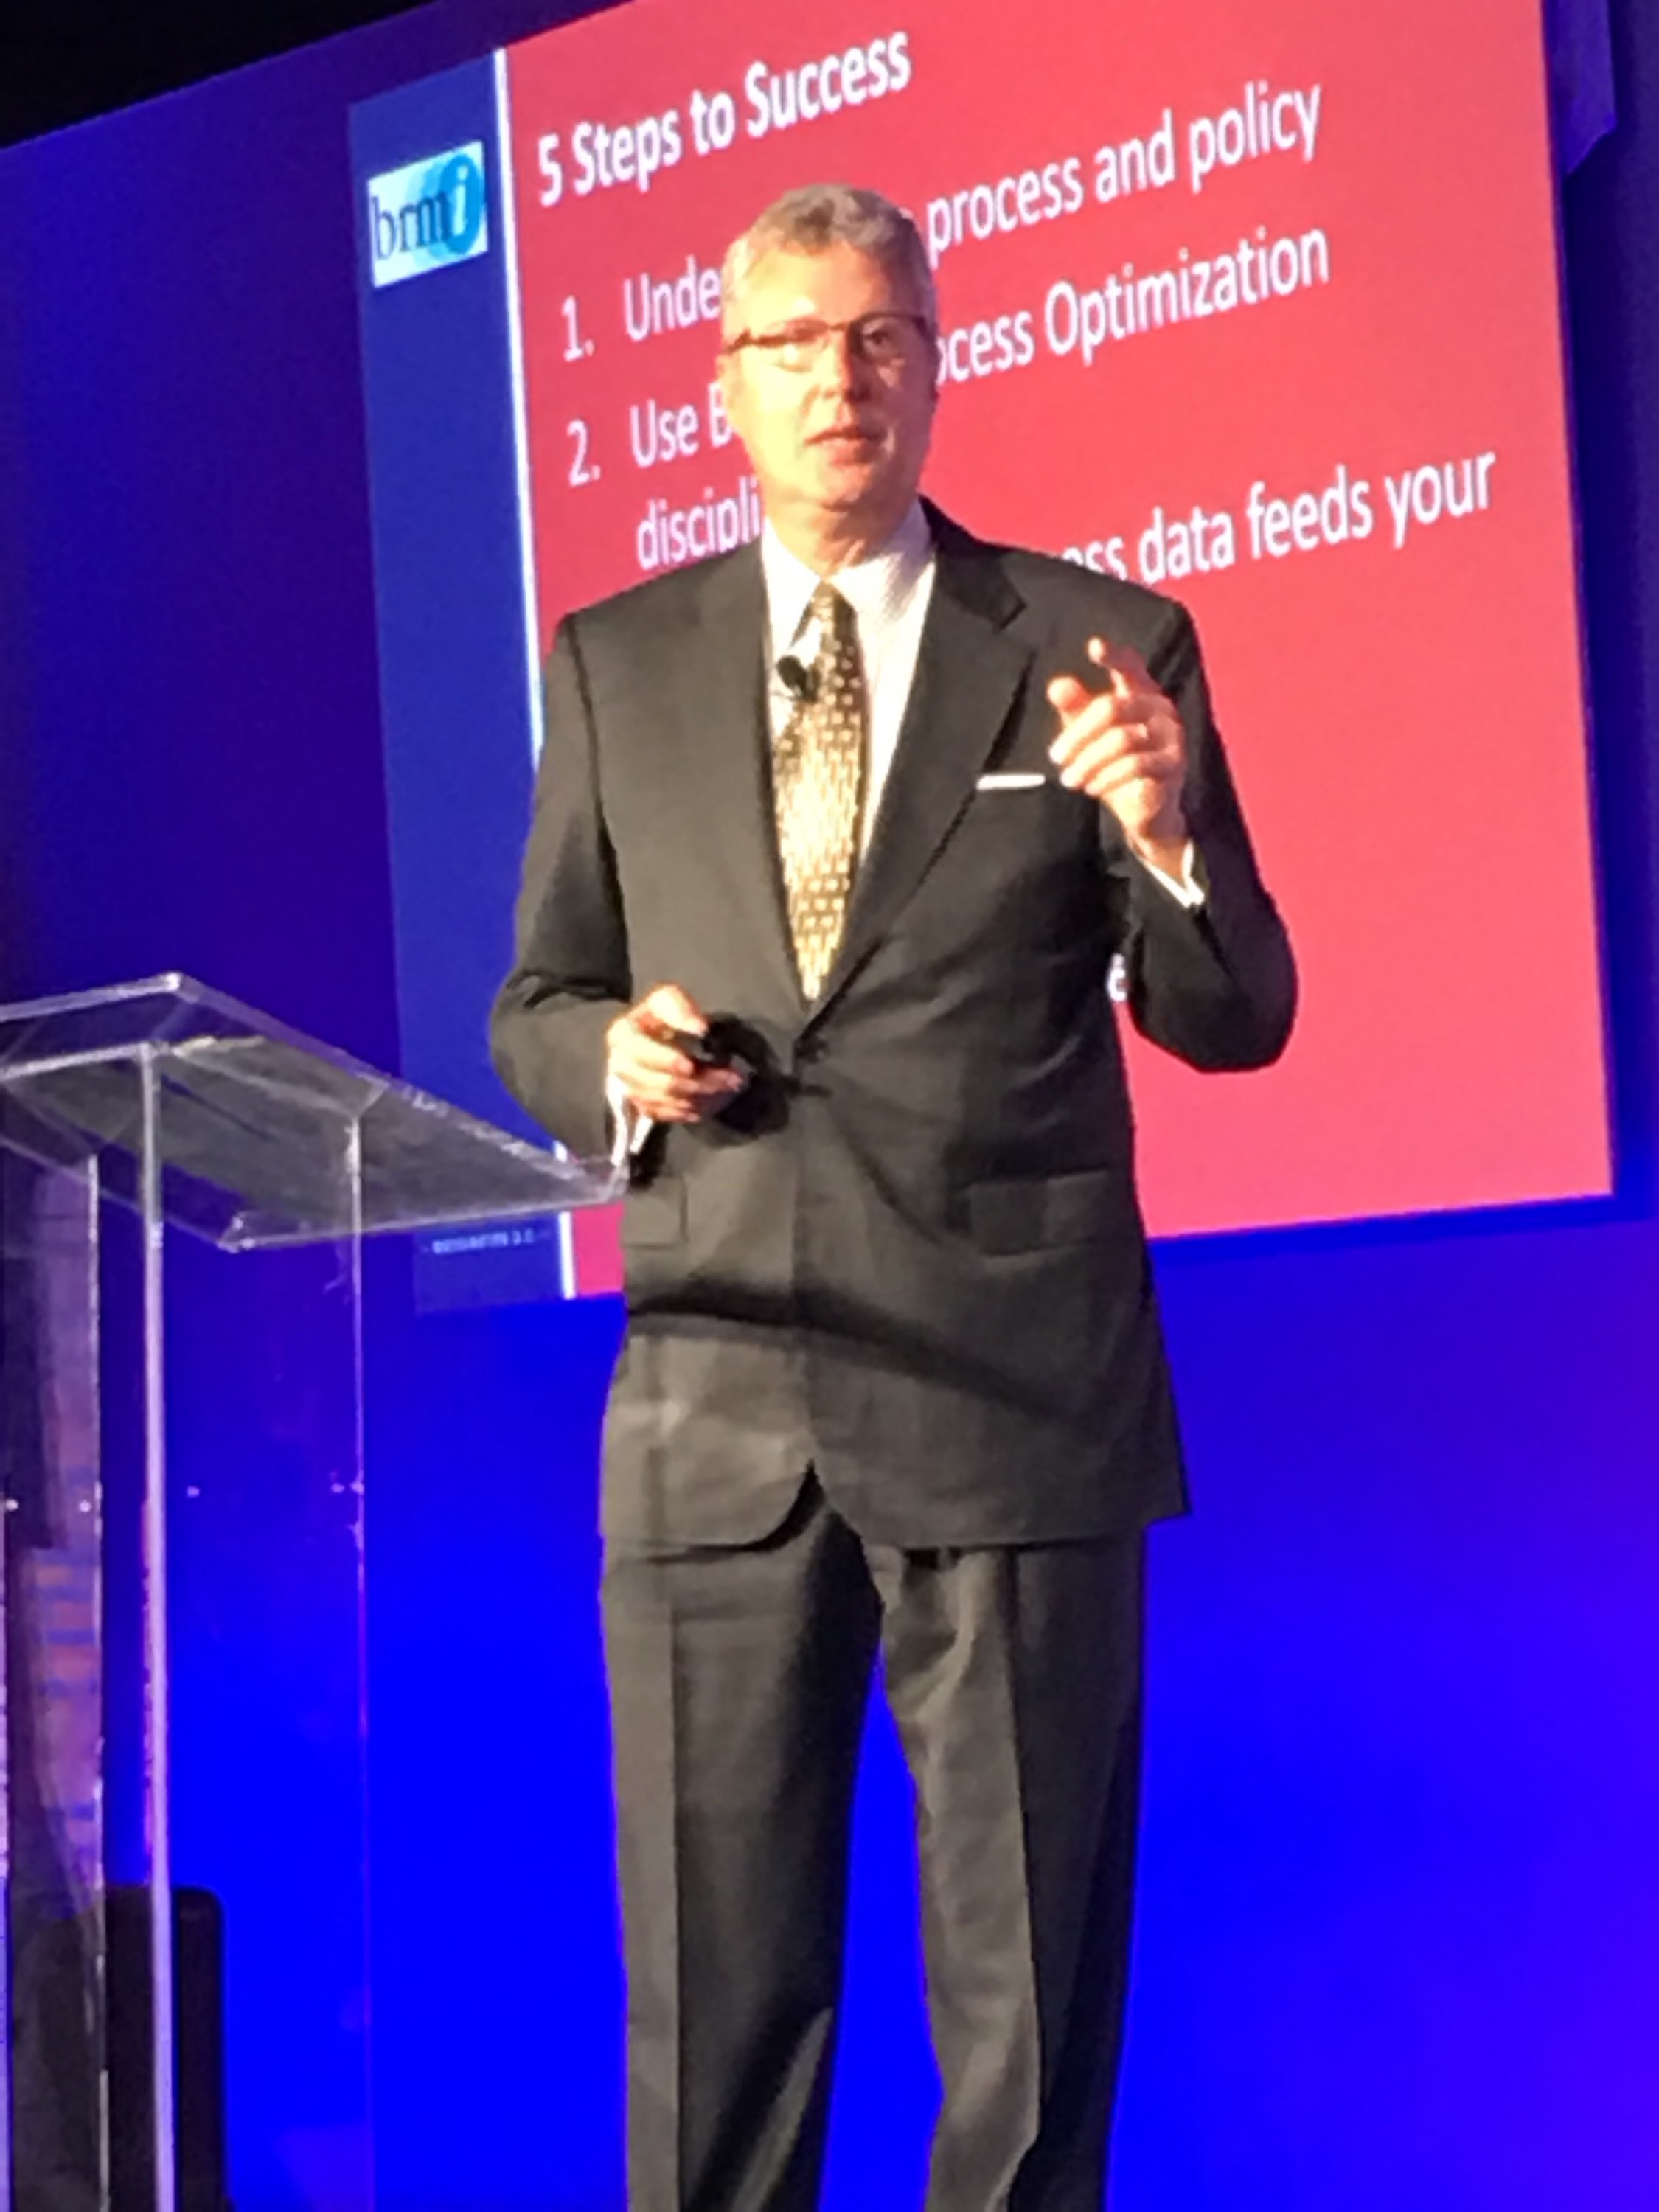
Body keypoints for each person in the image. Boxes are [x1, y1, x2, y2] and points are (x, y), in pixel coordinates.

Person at [493, 182, 1295, 2211]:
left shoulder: (1100, 645)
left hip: (1010, 1399)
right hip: (715, 1408)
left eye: (878, 336)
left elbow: (1236, 1018)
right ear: (724, 387)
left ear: (934, 367)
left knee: (1024, 2010)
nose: (838, 379)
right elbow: (535, 998)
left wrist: (1170, 837)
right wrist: (611, 1058)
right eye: (793, 342)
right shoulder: (615, 661)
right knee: (715, 2008)